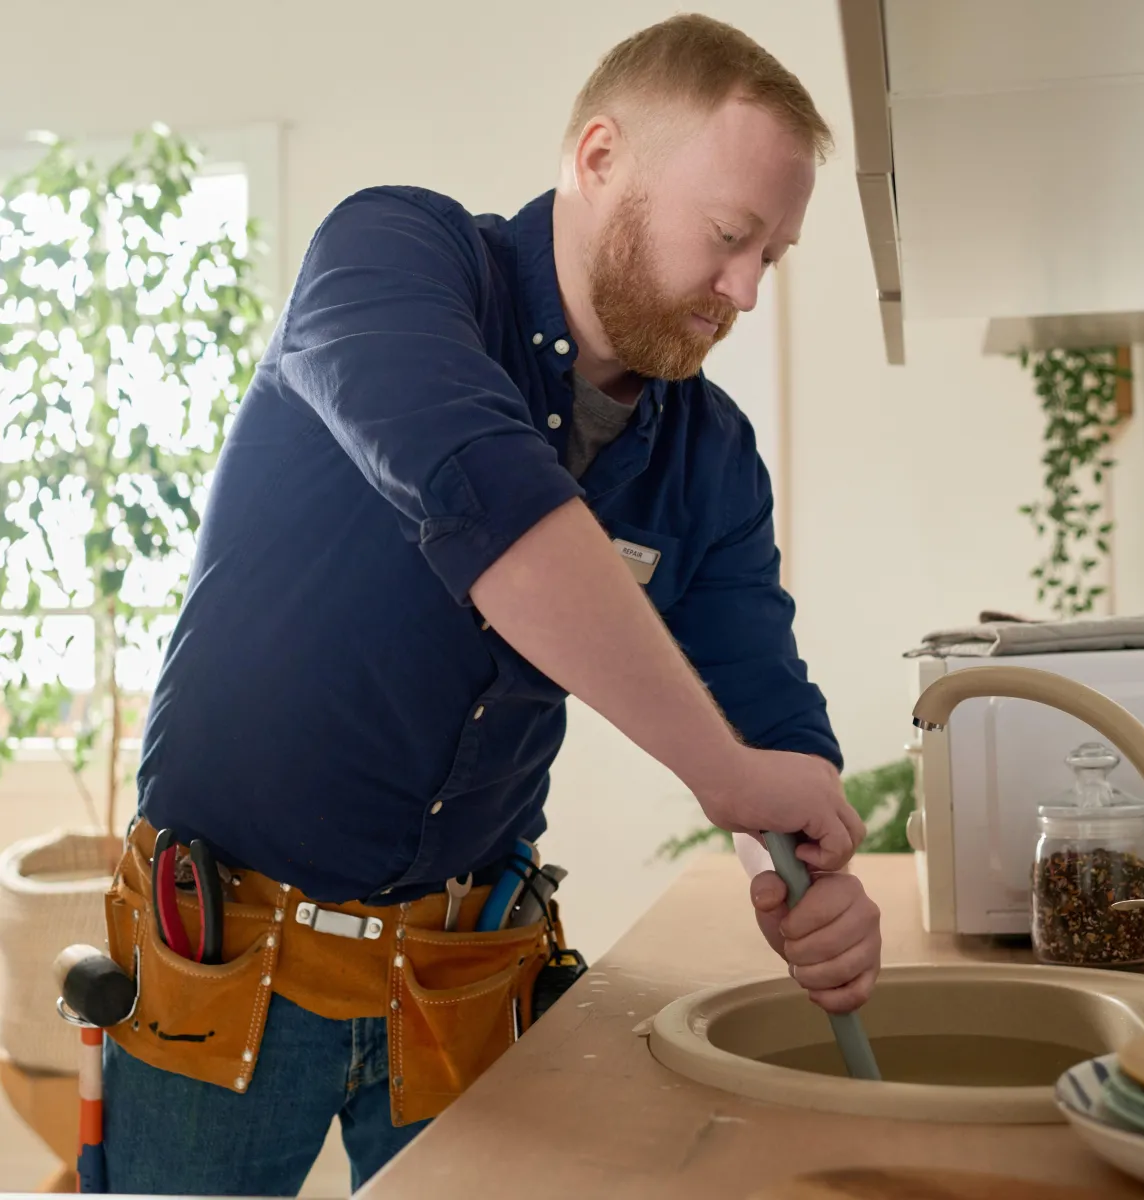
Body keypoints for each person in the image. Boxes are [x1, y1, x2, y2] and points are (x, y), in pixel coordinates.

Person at [100, 13, 882, 1195]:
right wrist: (729, 777)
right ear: (600, 157)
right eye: (729, 237)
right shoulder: (392, 256)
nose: (744, 291)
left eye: (771, 256)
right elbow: (490, 504)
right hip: (217, 954)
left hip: (465, 973)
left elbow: (763, 709)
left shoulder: (712, 454)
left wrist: (808, 868)